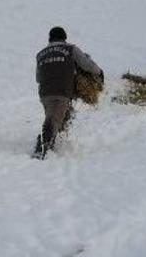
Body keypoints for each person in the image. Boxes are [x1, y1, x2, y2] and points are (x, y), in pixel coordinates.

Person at [33, 26, 103, 159]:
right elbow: (86, 64)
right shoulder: (71, 49)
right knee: (53, 121)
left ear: (50, 39)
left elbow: (38, 77)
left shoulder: (40, 54)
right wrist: (99, 72)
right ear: (64, 38)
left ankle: (48, 141)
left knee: (53, 116)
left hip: (45, 93)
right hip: (62, 91)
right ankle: (43, 146)